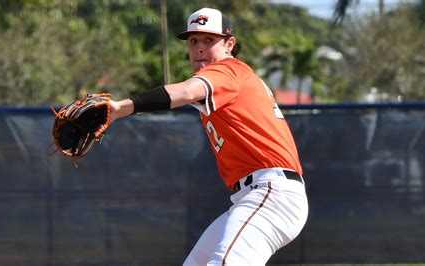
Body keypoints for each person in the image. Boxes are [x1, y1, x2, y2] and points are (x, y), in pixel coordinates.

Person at [108, 7, 308, 265]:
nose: (199, 47)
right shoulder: (228, 78)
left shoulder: (227, 70)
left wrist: (120, 108)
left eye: (209, 40)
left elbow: (186, 91)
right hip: (253, 196)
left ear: (229, 44)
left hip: (271, 192)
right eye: (193, 41)